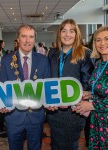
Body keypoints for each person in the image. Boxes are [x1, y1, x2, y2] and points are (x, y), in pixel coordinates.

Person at [0, 24, 50, 150]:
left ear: (34, 39)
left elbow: (47, 88)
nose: (27, 40)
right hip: (13, 117)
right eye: (24, 36)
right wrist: (2, 104)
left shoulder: (43, 60)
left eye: (31, 37)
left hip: (36, 117)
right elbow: (3, 87)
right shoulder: (7, 60)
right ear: (18, 39)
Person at [47, 19, 94, 150]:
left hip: (74, 110)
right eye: (64, 31)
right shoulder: (53, 53)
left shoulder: (85, 54)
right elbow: (48, 79)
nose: (67, 34)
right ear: (59, 34)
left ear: (76, 34)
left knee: (68, 145)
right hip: (54, 110)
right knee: (55, 143)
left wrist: (69, 100)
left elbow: (87, 85)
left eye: (71, 31)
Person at [74, 26, 108, 149]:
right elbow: (101, 90)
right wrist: (89, 94)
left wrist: (92, 105)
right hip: (97, 121)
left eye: (106, 39)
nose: (102, 43)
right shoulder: (99, 64)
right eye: (98, 40)